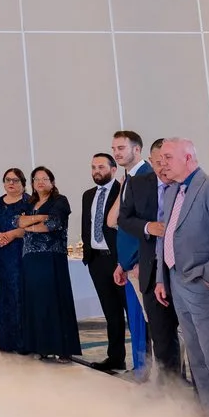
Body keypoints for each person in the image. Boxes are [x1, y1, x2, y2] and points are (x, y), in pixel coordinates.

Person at [149, 138, 209, 417]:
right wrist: (161, 278)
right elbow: (164, 237)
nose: (162, 163)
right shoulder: (173, 190)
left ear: (188, 156)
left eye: (167, 157)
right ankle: (208, 414)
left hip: (203, 284)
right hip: (176, 282)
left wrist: (208, 277)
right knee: (195, 353)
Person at [110, 132, 172, 377]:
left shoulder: (148, 175)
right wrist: (121, 262)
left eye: (121, 147)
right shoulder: (130, 178)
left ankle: (159, 376)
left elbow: (152, 224)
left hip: (144, 262)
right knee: (139, 322)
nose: (116, 152)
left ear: (137, 150)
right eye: (114, 147)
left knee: (155, 325)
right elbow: (123, 222)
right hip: (130, 262)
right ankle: (142, 371)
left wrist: (137, 261)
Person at [17, 166, 77, 361]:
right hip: (30, 258)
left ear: (52, 182)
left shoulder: (60, 201)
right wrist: (38, 219)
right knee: (36, 302)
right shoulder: (29, 202)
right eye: (36, 179)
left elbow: (52, 224)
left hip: (51, 257)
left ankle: (62, 348)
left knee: (54, 300)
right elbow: (17, 222)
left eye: (44, 179)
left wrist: (30, 224)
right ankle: (41, 345)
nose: (40, 182)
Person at [81, 151, 128, 372]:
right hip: (97, 261)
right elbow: (86, 226)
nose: (96, 171)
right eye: (93, 167)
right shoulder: (88, 195)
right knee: (111, 313)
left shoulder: (124, 191)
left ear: (113, 169)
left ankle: (145, 361)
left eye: (101, 167)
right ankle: (115, 358)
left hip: (119, 261)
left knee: (133, 313)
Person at [0, 169, 30, 353]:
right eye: (8, 180)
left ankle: (23, 343)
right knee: (3, 298)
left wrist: (11, 235)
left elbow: (33, 227)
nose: (11, 183)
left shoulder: (29, 202)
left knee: (20, 297)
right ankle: (6, 342)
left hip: (21, 256)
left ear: (23, 183)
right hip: (1, 257)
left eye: (16, 180)